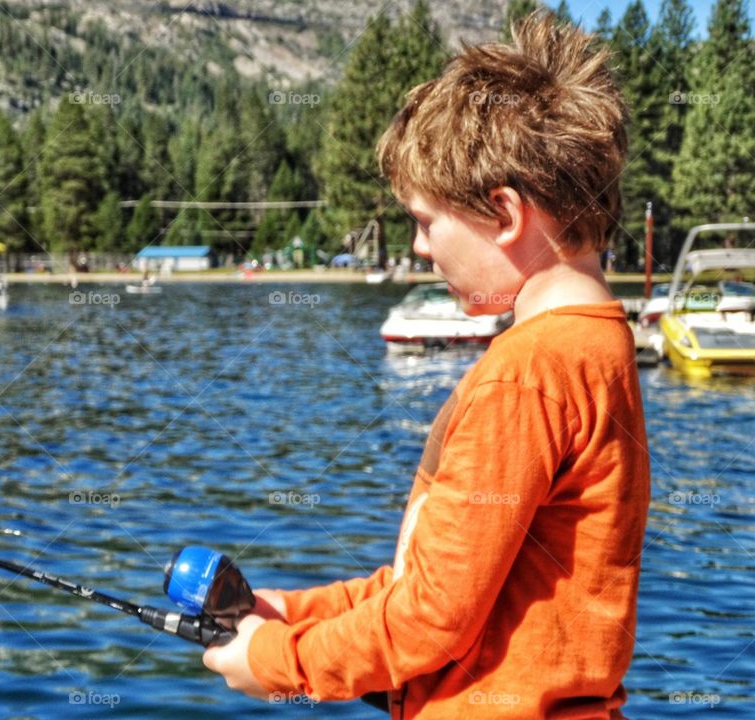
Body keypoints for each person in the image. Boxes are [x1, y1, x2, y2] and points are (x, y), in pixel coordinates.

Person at [203, 11, 650, 719]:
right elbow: (450, 583)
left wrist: (274, 661)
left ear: (503, 213)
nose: (418, 247)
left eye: (424, 219)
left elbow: (431, 620)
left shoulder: (525, 374)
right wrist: (295, 610)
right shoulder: (599, 343)